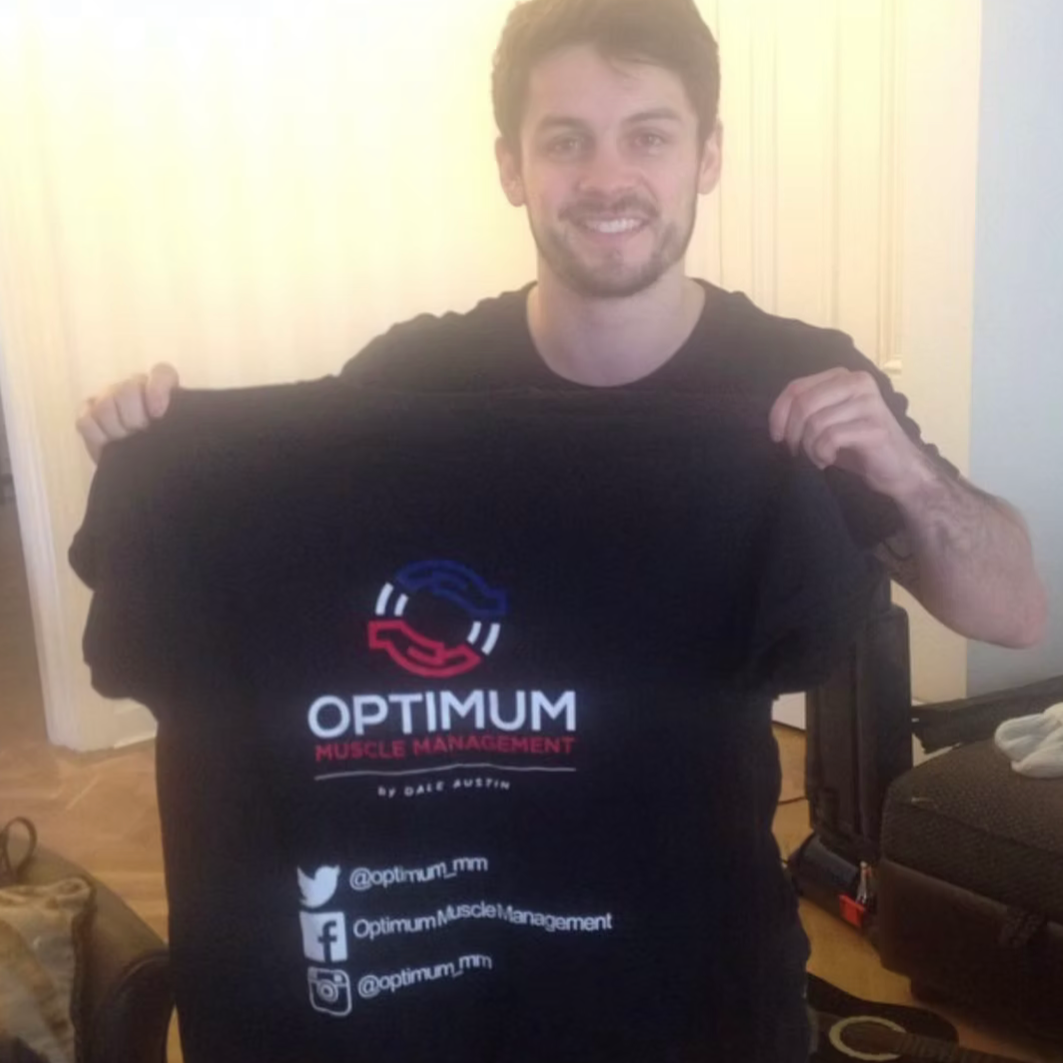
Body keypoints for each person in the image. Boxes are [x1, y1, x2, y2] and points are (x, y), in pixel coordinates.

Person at [73, 0, 1047, 1056]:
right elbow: (282, 548)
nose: (607, 178)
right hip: (439, 959)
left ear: (707, 156)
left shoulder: (791, 381)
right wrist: (160, 452)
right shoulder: (414, 382)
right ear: (512, 167)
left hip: (687, 970)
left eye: (648, 136)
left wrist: (903, 473)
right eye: (566, 141)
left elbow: (1014, 609)